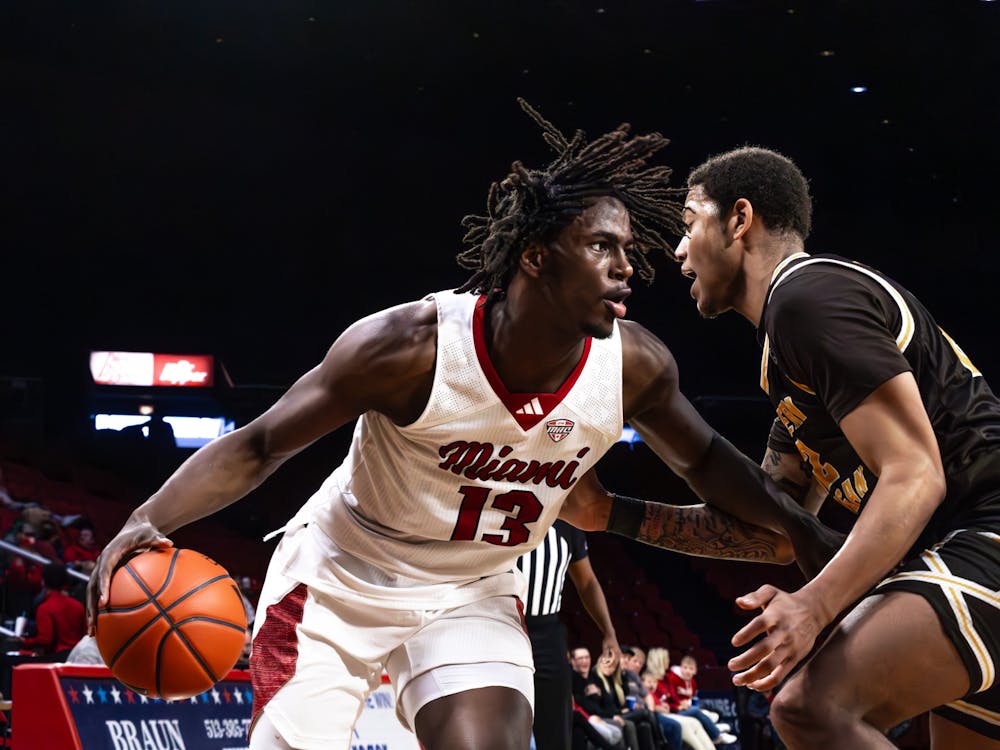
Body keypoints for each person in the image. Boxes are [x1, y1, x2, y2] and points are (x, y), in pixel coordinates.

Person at [88, 102, 834, 750]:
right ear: (536, 256)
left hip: (471, 586)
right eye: (601, 246)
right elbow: (260, 444)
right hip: (343, 576)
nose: (626, 267)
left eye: (628, 250)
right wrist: (149, 518)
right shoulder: (408, 348)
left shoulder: (634, 366)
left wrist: (811, 537)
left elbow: (707, 463)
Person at [671, 145, 1000, 748]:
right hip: (961, 551)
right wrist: (607, 511)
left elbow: (916, 474)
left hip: (985, 533)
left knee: (809, 708)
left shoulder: (808, 300)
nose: (679, 250)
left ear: (739, 220)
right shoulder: (789, 348)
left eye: (689, 223)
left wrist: (814, 606)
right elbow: (772, 530)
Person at [516, 519, 618, 750]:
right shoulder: (501, 509)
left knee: (556, 733)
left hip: (547, 633)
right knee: (500, 726)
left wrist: (609, 631)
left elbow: (587, 581)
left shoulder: (568, 523)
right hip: (501, 627)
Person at [17, 563, 86, 659]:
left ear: (43, 582)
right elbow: (86, 633)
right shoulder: (78, 605)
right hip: (79, 656)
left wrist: (25, 641)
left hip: (56, 658)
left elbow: (45, 640)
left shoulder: (45, 608)